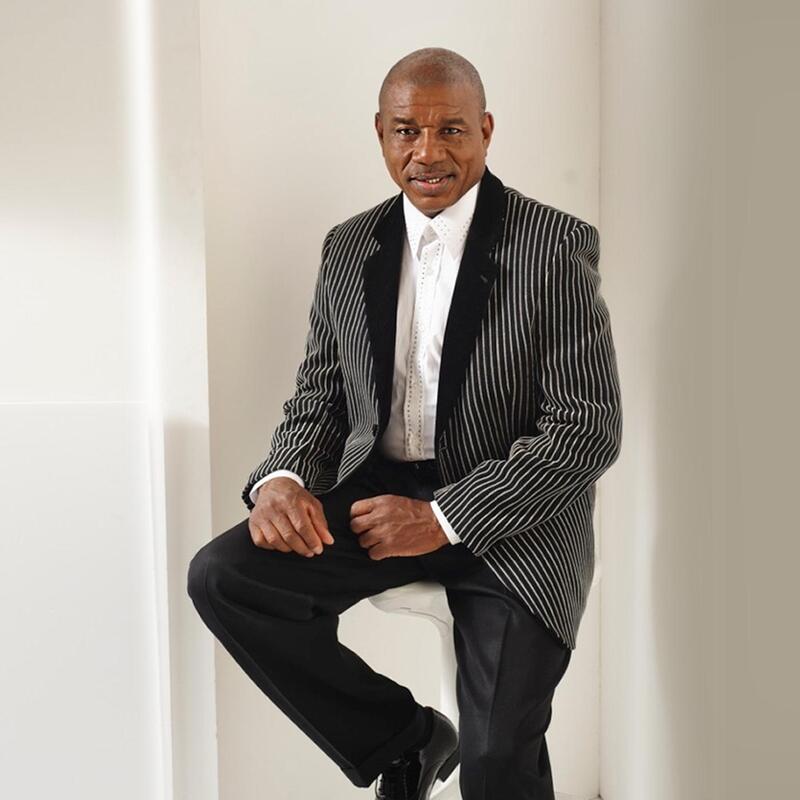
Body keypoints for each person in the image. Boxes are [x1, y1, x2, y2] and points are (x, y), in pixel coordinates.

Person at [187, 46, 622, 800]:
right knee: (225, 578)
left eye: (451, 130)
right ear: (381, 135)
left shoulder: (552, 245)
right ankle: (406, 740)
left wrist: (443, 518)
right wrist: (282, 479)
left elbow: (587, 427)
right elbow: (322, 396)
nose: (427, 153)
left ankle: (463, 749)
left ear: (486, 131)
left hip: (512, 517)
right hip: (378, 499)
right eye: (405, 131)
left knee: (496, 757)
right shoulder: (350, 245)